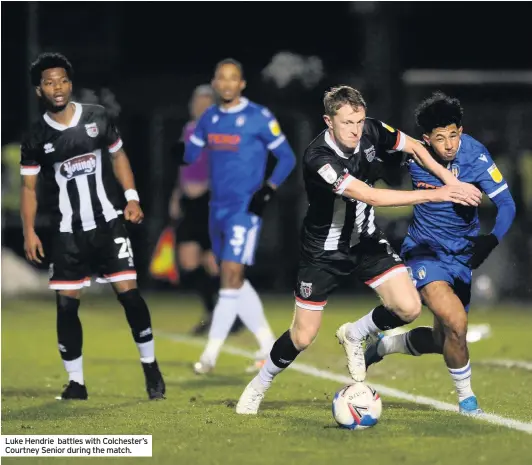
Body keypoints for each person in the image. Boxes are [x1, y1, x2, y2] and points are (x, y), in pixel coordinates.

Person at [236, 85, 482, 414]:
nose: (355, 130)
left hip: (365, 241)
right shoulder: (319, 158)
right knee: (303, 336)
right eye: (347, 123)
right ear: (328, 121)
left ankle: (356, 333)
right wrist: (437, 194)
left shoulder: (371, 130)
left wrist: (449, 182)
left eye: (359, 121)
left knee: (409, 308)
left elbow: (416, 148)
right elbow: (371, 196)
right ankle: (259, 385)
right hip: (324, 251)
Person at [20, 52, 165, 400]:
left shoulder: (97, 117)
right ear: (39, 90)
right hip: (68, 232)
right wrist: (28, 231)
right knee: (67, 305)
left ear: (70, 83)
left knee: (130, 296)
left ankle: (151, 369)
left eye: (63, 80)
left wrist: (131, 197)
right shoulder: (36, 136)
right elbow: (28, 187)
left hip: (109, 224)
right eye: (49, 82)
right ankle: (76, 383)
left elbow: (118, 156)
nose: (58, 87)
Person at [364, 92, 516, 415]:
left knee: (444, 338)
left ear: (460, 131)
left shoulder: (475, 156)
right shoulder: (415, 157)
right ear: (425, 139)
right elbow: (380, 157)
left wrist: (490, 241)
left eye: (453, 136)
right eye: (439, 138)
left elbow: (507, 205)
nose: (448, 145)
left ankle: (386, 345)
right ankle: (468, 402)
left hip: (462, 259)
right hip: (424, 254)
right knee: (456, 322)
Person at [183, 58, 297, 374]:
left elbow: (286, 158)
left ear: (242, 84)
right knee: (232, 278)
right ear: (216, 84)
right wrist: (189, 141)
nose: (228, 84)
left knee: (230, 280)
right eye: (222, 78)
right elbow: (190, 155)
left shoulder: (259, 117)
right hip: (215, 210)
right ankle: (268, 347)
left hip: (244, 211)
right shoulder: (209, 118)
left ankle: (209, 356)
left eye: (234, 78)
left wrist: (268, 189)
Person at [168, 84, 224, 335]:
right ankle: (216, 312)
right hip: (190, 203)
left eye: (205, 102)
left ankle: (224, 315)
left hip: (210, 200)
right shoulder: (189, 129)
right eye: (197, 102)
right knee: (188, 263)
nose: (200, 107)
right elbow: (185, 166)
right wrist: (177, 195)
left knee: (212, 261)